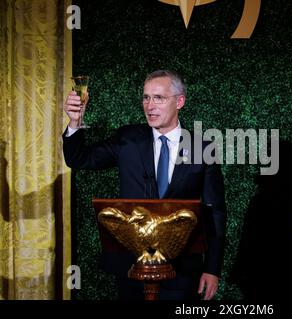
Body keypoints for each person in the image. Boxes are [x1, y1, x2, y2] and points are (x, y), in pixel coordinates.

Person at [63, 69, 226, 300]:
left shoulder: (203, 148)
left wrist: (212, 269)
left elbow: (215, 214)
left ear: (180, 101)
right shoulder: (128, 139)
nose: (150, 106)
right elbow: (79, 158)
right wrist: (74, 122)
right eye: (146, 97)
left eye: (159, 98)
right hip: (131, 270)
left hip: (181, 272)